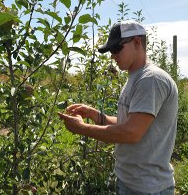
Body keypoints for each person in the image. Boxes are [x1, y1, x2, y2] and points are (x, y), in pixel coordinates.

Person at [58, 20, 178, 195]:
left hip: (148, 188)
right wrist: (95, 115)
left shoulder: (150, 79)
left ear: (137, 42)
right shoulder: (135, 78)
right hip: (130, 181)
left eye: (116, 49)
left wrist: (82, 128)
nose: (112, 56)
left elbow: (131, 133)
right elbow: (128, 123)